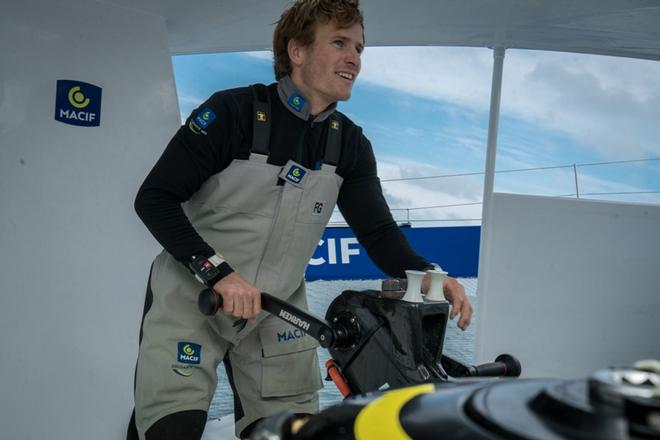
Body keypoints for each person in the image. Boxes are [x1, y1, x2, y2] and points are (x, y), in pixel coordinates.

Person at [128, 0, 473, 438]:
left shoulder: (349, 145)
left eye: (360, 49)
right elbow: (154, 198)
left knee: (296, 433)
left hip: (279, 313)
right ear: (297, 51)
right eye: (340, 43)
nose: (355, 59)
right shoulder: (230, 114)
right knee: (168, 428)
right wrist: (218, 274)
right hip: (192, 297)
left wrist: (429, 276)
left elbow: (379, 233)